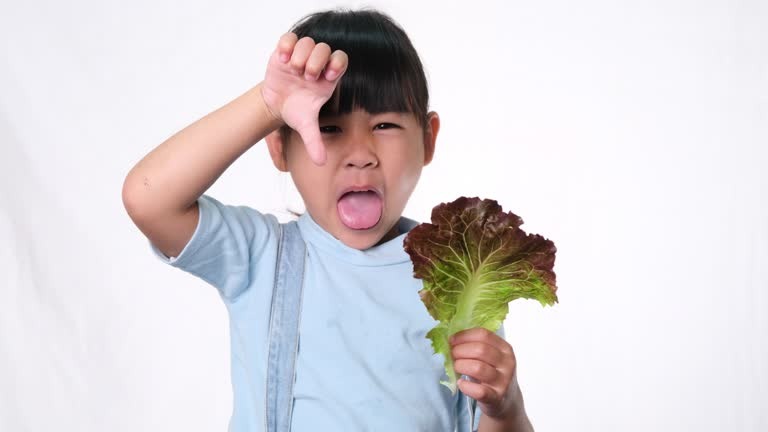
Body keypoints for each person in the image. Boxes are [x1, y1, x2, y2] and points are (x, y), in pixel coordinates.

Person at [122, 8, 533, 432]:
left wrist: (506, 409)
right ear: (279, 148)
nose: (360, 154)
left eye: (385, 124)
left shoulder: (458, 281)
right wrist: (267, 104)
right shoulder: (260, 258)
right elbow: (149, 198)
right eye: (329, 128)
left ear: (428, 140)